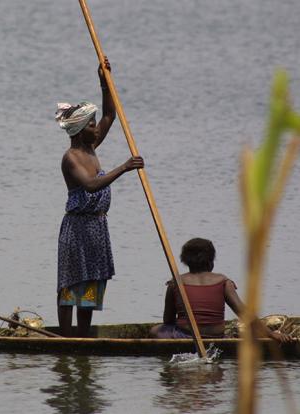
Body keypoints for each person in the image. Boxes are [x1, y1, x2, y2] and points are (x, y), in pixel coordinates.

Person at [55, 57, 144, 337]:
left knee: (91, 282)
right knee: (71, 283)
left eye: (94, 124)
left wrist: (104, 82)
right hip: (77, 228)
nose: (97, 127)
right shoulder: (71, 158)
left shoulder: (91, 146)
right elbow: (91, 186)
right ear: (80, 131)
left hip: (97, 227)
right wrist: (124, 168)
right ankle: (67, 336)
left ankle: (83, 336)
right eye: (91, 125)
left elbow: (110, 115)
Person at [150, 237, 292, 342]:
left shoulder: (176, 283)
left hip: (186, 335)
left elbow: (168, 320)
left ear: (186, 261)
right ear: (211, 261)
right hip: (216, 336)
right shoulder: (224, 282)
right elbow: (244, 313)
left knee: (155, 330)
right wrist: (271, 334)